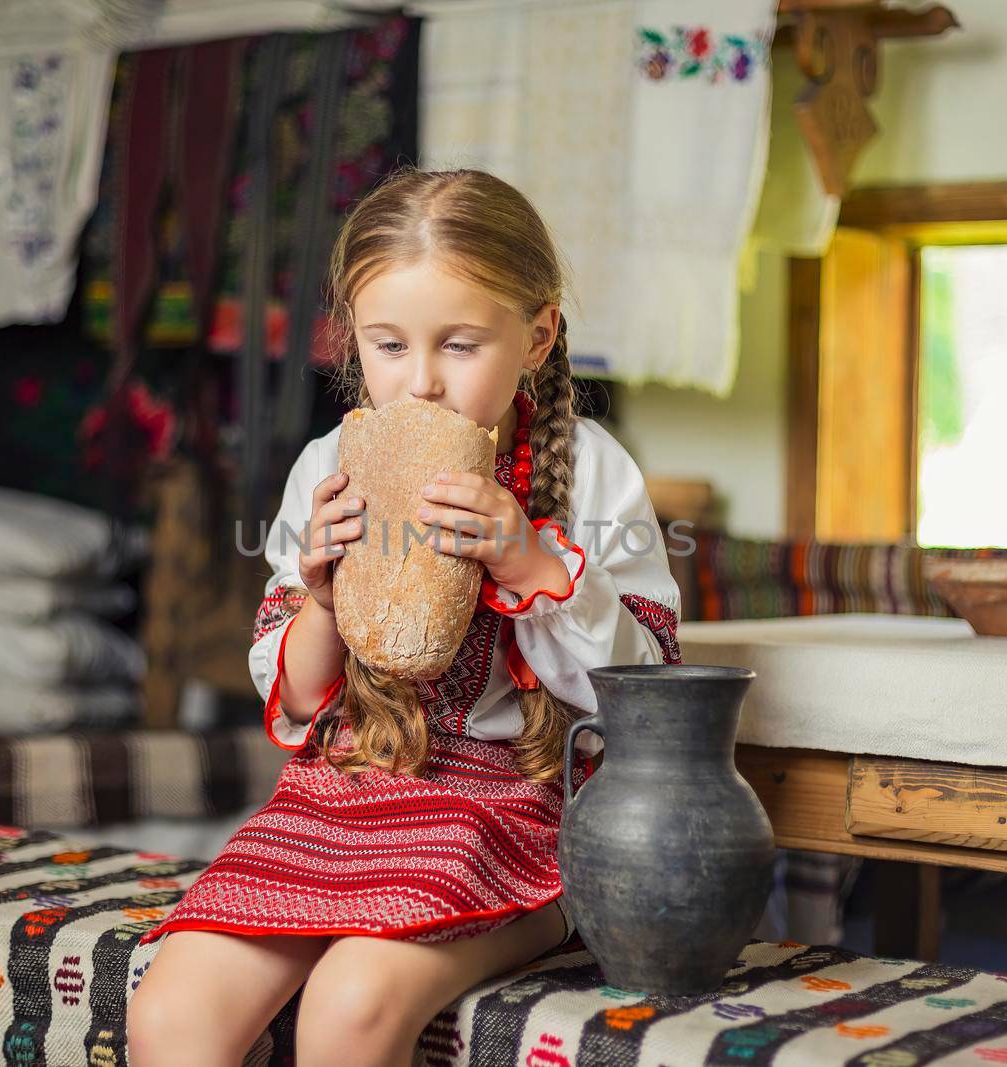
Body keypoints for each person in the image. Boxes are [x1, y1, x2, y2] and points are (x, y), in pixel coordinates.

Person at [128, 167, 682, 1067]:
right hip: (341, 794)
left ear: (537, 334)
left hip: (511, 813)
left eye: (459, 346)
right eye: (388, 346)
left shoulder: (593, 470)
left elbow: (651, 690)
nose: (420, 384)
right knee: (171, 1014)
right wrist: (320, 598)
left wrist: (535, 565)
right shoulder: (328, 465)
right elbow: (299, 701)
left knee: (348, 1007)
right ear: (353, 341)